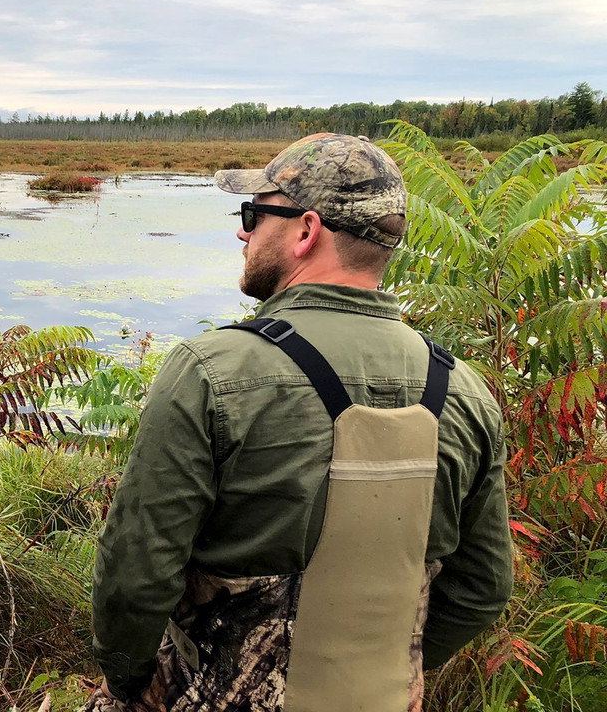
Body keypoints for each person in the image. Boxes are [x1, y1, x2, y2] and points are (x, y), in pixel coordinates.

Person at [88, 133, 513, 711]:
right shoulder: (465, 389)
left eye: (253, 215)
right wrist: (393, 668)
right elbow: (482, 589)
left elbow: (135, 577)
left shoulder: (211, 370)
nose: (243, 233)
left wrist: (129, 682)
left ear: (306, 231)